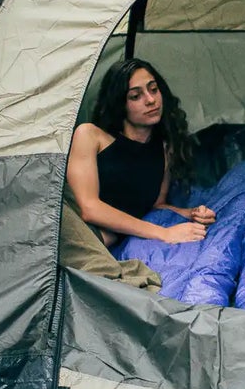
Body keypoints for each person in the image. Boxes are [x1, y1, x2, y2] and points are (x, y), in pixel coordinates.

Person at [66, 58, 216, 248]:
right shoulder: (90, 136)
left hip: (111, 238)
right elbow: (89, 208)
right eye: (136, 96)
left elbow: (156, 205)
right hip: (76, 229)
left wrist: (190, 213)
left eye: (153, 90)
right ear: (119, 103)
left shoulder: (164, 148)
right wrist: (163, 233)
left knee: (107, 240)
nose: (151, 100)